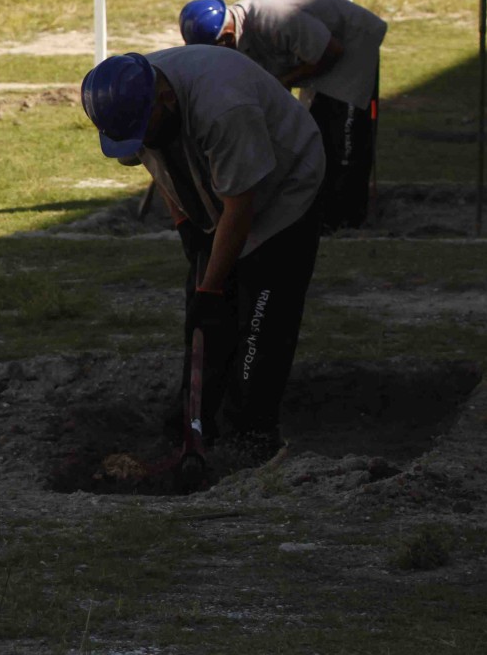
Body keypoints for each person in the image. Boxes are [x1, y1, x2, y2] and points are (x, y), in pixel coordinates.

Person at [81, 46, 324, 463]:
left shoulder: (224, 107)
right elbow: (159, 163)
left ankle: (252, 431)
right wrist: (187, 227)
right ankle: (196, 420)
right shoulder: (128, 102)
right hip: (222, 193)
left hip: (285, 189)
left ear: (167, 99)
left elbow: (241, 207)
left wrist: (211, 288)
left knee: (261, 312)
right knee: (206, 313)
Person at [180, 0, 387, 228]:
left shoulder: (274, 16)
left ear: (225, 37)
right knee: (317, 135)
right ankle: (324, 208)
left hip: (350, 48)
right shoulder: (237, 33)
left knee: (343, 138)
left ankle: (347, 219)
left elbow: (331, 52)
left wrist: (284, 82)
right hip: (315, 56)